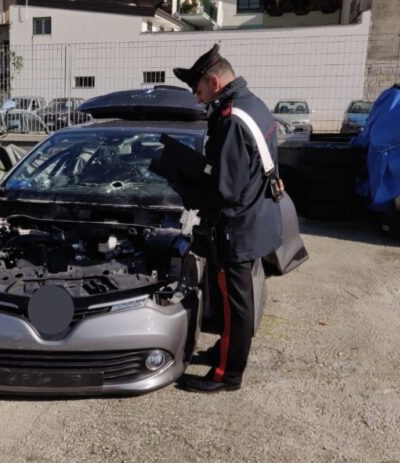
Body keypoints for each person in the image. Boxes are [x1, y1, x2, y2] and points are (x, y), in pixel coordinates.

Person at [172, 44, 282, 393]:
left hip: (238, 225)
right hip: (255, 217)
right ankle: (225, 352)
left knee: (236, 304)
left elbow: (226, 191)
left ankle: (227, 374)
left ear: (214, 82)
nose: (197, 97)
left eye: (198, 89)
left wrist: (186, 186)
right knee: (236, 299)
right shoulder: (253, 105)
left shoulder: (232, 120)